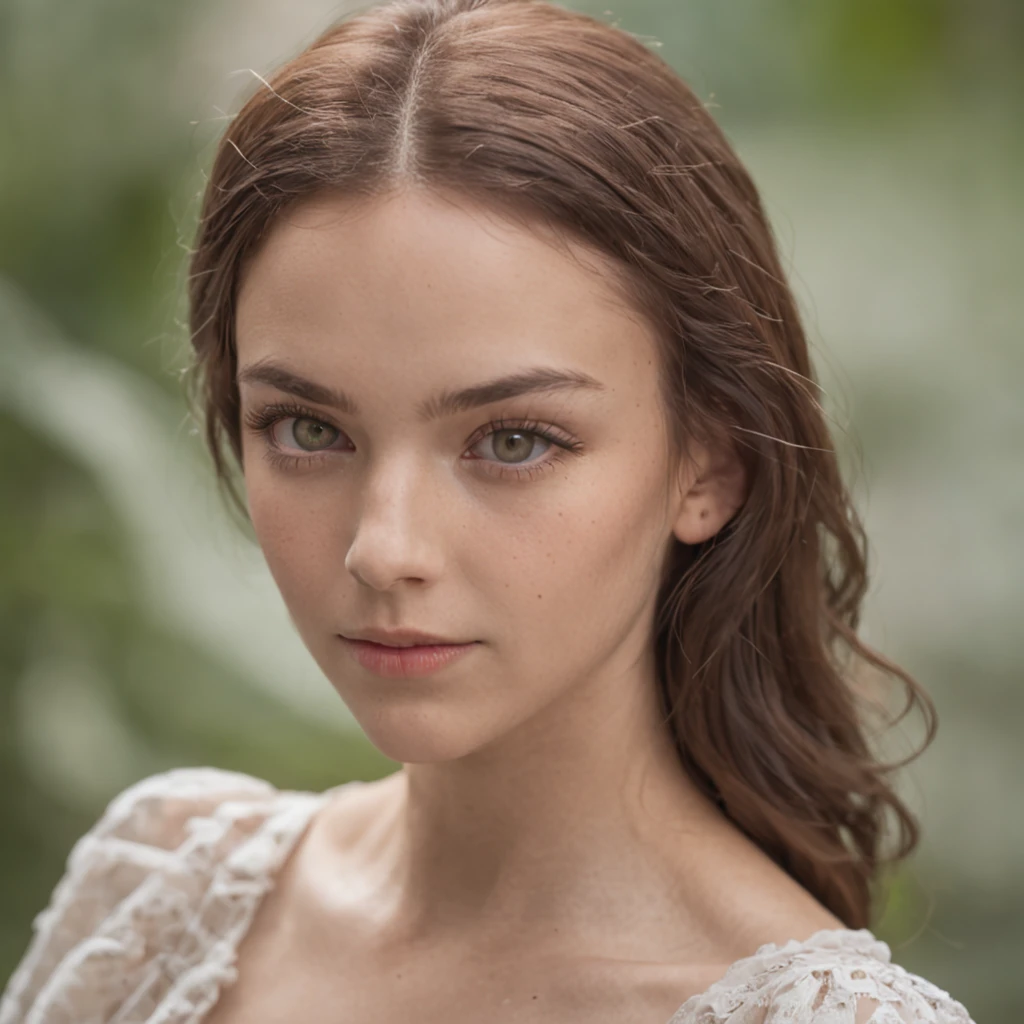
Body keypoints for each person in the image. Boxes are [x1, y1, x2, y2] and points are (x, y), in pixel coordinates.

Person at [0, 0, 978, 1021]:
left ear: (711, 464)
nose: (385, 549)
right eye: (306, 429)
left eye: (513, 441)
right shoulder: (161, 900)